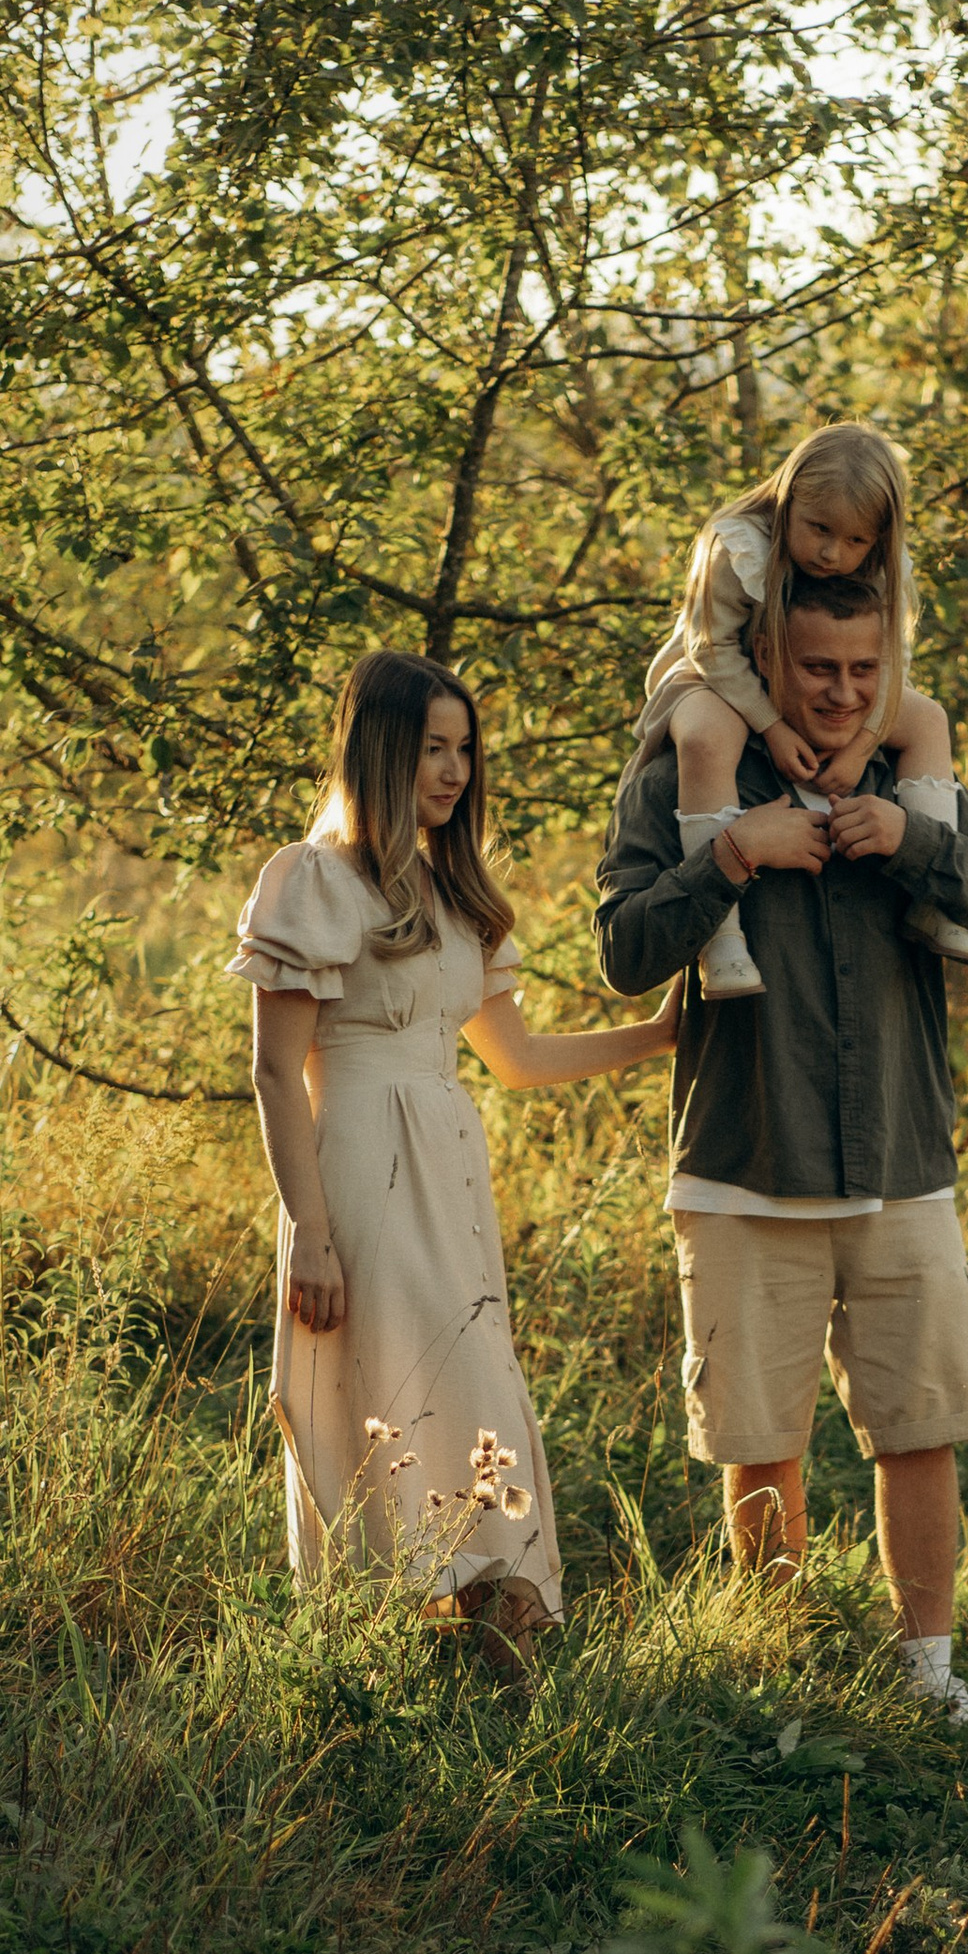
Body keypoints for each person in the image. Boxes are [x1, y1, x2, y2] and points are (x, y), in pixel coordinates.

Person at [594, 558, 968, 1739]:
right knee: (759, 1441)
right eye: (818, 670)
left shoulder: (917, 777)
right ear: (770, 662)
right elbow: (626, 953)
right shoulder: (686, 772)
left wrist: (914, 841)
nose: (844, 693)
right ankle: (781, 1674)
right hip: (747, 1161)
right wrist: (732, 858)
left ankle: (930, 1678)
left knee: (922, 1426)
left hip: (900, 1159)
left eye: (865, 669)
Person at [236, 650, 679, 1676]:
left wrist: (656, 1040)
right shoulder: (312, 881)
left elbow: (515, 1061)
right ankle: (373, 1641)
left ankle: (488, 1632)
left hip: (446, 1164)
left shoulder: (450, 893)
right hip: (353, 1166)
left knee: (474, 1385)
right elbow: (272, 1071)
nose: (455, 769)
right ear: (380, 748)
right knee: (384, 1388)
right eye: (433, 747)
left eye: (466, 749)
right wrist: (308, 1230)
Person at [630, 418, 968, 996]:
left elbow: (890, 661)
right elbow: (711, 646)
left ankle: (935, 899)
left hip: (816, 682)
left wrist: (864, 743)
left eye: (854, 540)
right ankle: (722, 940)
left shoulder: (883, 563)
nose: (831, 553)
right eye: (818, 528)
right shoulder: (738, 542)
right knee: (706, 739)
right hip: (716, 677)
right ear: (788, 500)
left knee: (928, 718)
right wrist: (769, 726)